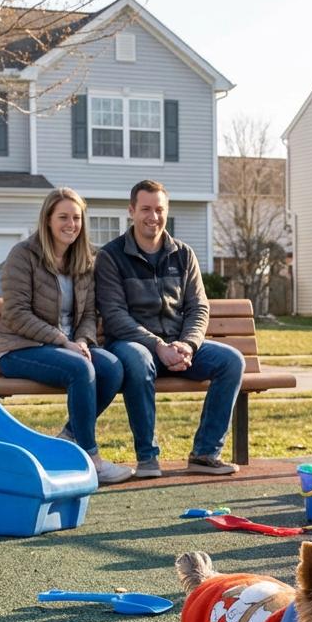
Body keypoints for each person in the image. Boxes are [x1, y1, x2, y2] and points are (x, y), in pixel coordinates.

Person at [96, 180, 245, 476]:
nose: (153, 216)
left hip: (178, 347)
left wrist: (187, 344)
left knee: (231, 361)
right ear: (131, 211)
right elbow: (114, 316)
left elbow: (198, 307)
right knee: (139, 360)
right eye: (145, 209)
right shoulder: (110, 256)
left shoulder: (183, 254)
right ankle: (147, 457)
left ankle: (205, 454)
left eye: (159, 209)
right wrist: (158, 346)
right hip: (132, 345)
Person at [0, 187, 133, 485]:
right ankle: (91, 459)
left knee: (112, 367)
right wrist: (63, 341)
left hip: (69, 347)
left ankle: (69, 437)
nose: (71, 224)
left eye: (76, 217)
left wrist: (82, 341)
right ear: (47, 219)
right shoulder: (23, 255)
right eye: (63, 217)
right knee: (81, 368)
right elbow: (16, 314)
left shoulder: (84, 260)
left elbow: (89, 315)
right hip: (21, 348)